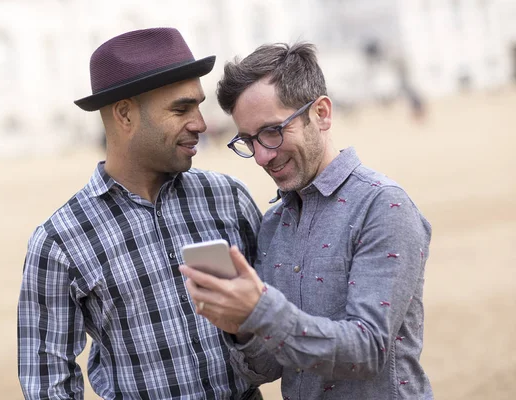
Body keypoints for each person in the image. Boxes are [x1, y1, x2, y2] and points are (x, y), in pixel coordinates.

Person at [17, 27, 263, 399]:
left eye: (198, 105)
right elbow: (47, 382)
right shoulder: (59, 241)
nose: (200, 123)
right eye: (181, 108)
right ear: (125, 115)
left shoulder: (228, 198)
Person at [180, 42, 433, 399]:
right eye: (249, 140)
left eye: (272, 131)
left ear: (322, 113)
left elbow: (367, 351)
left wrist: (261, 309)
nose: (261, 156)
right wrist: (241, 328)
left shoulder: (383, 206)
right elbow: (267, 369)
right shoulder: (273, 224)